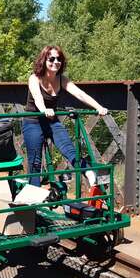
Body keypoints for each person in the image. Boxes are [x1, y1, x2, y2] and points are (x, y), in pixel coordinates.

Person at [22, 45, 108, 187]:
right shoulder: (34, 78)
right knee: (35, 161)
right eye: (52, 59)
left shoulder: (61, 79)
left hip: (51, 121)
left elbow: (80, 93)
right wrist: (44, 109)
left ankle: (88, 172)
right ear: (44, 60)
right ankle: (33, 201)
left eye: (59, 59)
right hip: (33, 122)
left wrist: (98, 107)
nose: (56, 62)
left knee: (69, 149)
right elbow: (37, 97)